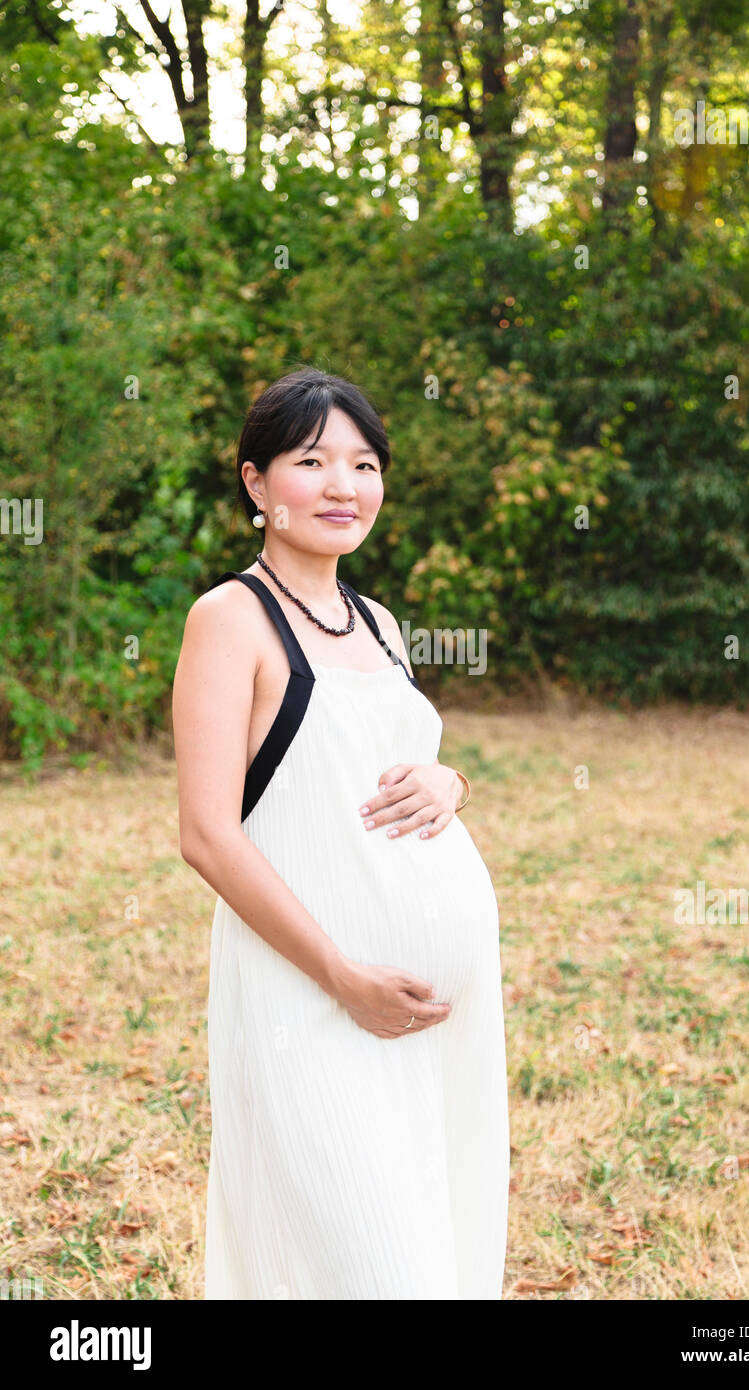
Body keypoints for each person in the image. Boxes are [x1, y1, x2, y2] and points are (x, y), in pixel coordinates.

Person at [172, 366, 510, 1299]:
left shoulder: (382, 625)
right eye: (311, 461)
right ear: (256, 483)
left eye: (364, 464)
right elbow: (206, 833)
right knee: (367, 1267)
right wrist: (340, 974)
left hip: (435, 1024)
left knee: (438, 1251)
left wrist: (454, 778)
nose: (343, 486)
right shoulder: (229, 621)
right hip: (310, 1006)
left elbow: (396, 764)